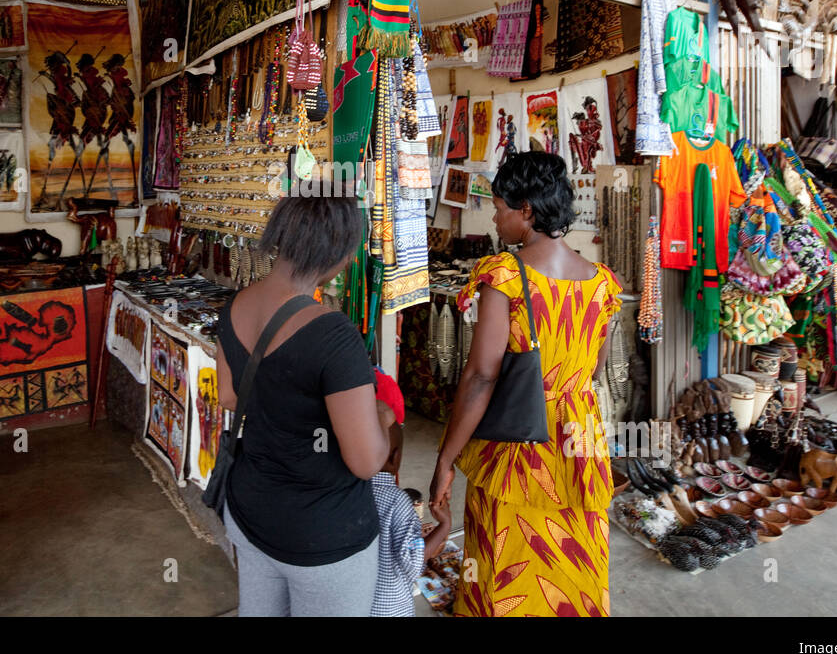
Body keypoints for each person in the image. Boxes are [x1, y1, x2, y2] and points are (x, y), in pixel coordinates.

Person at [430, 152, 621, 616]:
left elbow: (480, 378)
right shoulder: (603, 283)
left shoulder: (505, 276)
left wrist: (446, 458)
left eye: (499, 208)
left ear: (528, 211)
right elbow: (594, 372)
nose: (495, 217)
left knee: (505, 559)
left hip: (518, 444)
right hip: (579, 440)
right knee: (574, 555)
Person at [215, 186, 393, 616]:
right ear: (335, 252)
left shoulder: (234, 305)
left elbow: (228, 396)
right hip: (322, 537)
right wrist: (383, 418)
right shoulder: (333, 334)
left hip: (250, 514)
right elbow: (366, 461)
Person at [370, 377, 452, 617]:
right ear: (396, 458)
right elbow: (414, 562)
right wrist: (444, 525)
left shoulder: (343, 495)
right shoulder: (398, 504)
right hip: (389, 609)